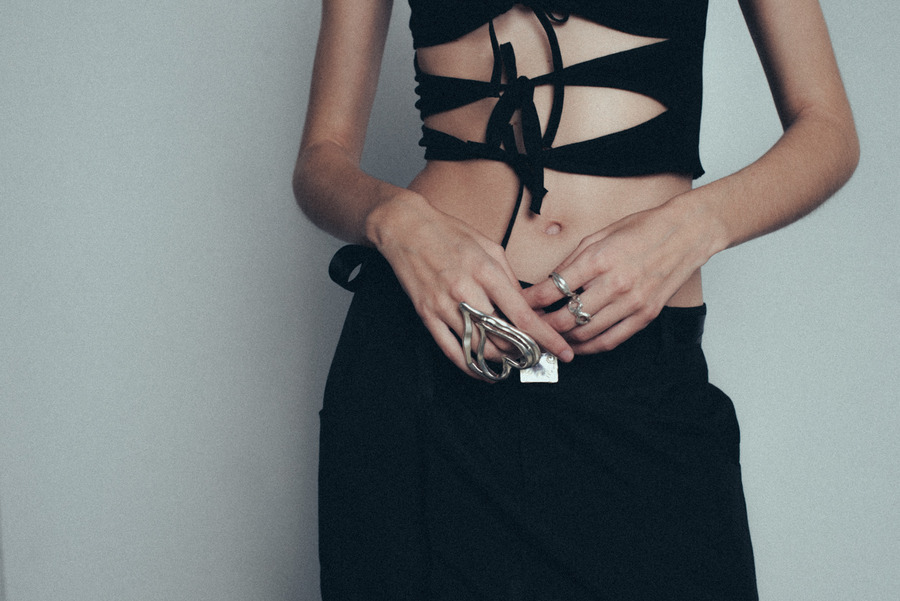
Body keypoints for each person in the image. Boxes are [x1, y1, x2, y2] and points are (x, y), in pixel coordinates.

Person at [294, 0, 858, 599]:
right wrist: (399, 222)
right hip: (431, 351)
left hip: (634, 358)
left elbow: (828, 130)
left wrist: (694, 226)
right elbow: (320, 160)